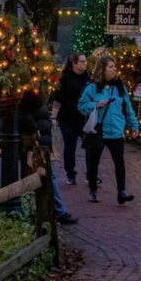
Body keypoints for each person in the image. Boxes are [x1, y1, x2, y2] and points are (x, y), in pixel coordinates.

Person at [78, 53, 139, 204]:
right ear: (102, 69)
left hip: (116, 130)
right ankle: (93, 191)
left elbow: (127, 107)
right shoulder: (92, 88)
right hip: (99, 130)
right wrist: (95, 105)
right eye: (111, 67)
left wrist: (133, 125)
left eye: (114, 67)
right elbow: (81, 106)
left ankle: (121, 191)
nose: (114, 70)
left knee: (119, 162)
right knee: (94, 161)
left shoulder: (120, 87)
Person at [18, 90, 79, 225]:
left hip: (41, 140)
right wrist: (35, 132)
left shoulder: (36, 90)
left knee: (44, 176)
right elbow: (23, 112)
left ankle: (48, 210)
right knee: (48, 176)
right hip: (37, 141)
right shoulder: (29, 91)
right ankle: (57, 211)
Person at [51, 52, 91, 185]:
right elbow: (58, 99)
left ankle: (91, 173)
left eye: (85, 61)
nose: (85, 64)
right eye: (82, 62)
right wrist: (54, 117)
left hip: (83, 117)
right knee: (70, 145)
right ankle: (71, 173)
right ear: (74, 63)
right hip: (67, 118)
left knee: (90, 145)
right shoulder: (65, 78)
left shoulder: (88, 77)